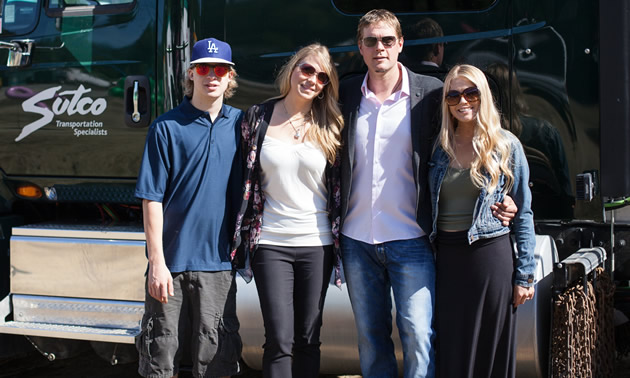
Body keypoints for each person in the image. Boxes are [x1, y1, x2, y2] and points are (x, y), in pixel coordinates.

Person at [338, 9, 517, 378]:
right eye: (371, 41)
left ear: (401, 44)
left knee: (419, 337)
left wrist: (508, 194)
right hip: (357, 240)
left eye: (387, 40)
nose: (379, 48)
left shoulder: (431, 95)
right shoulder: (345, 95)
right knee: (371, 342)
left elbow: (476, 139)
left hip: (412, 238)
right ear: (361, 46)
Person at [231, 43, 343, 378]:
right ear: (292, 69)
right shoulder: (258, 117)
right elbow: (241, 179)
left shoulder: (332, 125)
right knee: (279, 340)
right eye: (306, 69)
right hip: (271, 243)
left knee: (308, 339)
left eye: (322, 76)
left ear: (326, 86)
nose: (312, 79)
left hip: (317, 244)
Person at [134, 37, 243, 378]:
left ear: (229, 77)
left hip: (219, 265)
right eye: (204, 68)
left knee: (216, 360)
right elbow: (152, 198)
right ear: (191, 75)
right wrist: (157, 263)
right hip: (171, 266)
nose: (212, 75)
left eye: (220, 69)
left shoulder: (243, 126)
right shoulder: (166, 128)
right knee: (160, 355)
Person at [428, 64, 536, 378]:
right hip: (446, 260)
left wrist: (525, 275)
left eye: (471, 92)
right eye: (454, 95)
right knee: (451, 349)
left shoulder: (506, 146)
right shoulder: (438, 148)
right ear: (446, 102)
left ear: (483, 96)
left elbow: (524, 213)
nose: (463, 101)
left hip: (489, 258)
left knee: (491, 350)